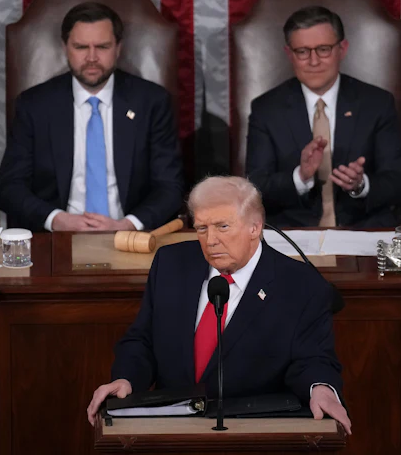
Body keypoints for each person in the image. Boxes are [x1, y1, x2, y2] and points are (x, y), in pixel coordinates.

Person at [86, 176, 352, 435]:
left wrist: (321, 389)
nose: (210, 240)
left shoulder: (300, 285)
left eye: (222, 227)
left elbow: (313, 359)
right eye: (202, 228)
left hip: (253, 433)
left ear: (255, 228)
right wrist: (126, 379)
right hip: (171, 432)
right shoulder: (170, 264)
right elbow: (142, 340)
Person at [0, 2, 184, 232]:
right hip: (57, 239)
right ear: (66, 47)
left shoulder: (151, 102)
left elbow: (170, 186)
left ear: (118, 48)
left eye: (102, 47)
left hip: (130, 237)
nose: (92, 57)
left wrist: (129, 225)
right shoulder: (35, 105)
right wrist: (55, 219)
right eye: (81, 47)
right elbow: (9, 187)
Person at [246, 5, 401, 228]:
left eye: (323, 49)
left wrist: (360, 185)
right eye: (302, 51)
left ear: (342, 49)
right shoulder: (266, 109)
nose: (313, 61)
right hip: (293, 232)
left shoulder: (377, 103)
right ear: (289, 54)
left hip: (363, 228)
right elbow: (256, 187)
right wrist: (300, 177)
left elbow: (396, 183)